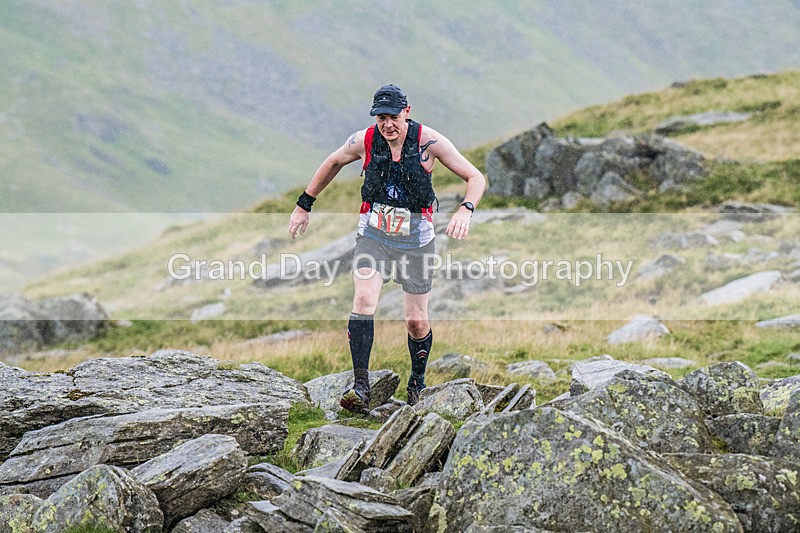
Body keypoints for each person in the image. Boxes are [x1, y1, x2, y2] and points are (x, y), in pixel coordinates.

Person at [288, 84, 485, 413]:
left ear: (407, 112)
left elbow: (475, 177)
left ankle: (416, 386)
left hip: (416, 242)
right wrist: (304, 204)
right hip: (374, 236)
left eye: (393, 117)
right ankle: (361, 386)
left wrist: (466, 209)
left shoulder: (429, 142)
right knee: (364, 299)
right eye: (381, 118)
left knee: (415, 322)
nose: (387, 124)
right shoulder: (364, 141)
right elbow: (334, 161)